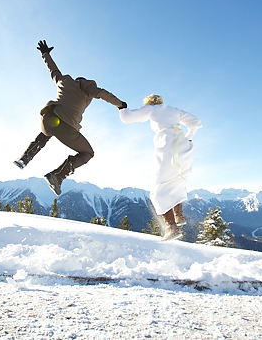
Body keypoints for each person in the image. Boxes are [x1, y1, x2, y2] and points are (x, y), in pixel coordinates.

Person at [14, 40, 127, 195]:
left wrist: (45, 54)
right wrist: (120, 104)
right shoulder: (89, 90)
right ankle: (57, 176)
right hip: (66, 127)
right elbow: (103, 94)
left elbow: (53, 70)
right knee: (88, 153)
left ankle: (25, 157)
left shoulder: (64, 81)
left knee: (46, 133)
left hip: (48, 118)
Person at [119, 94, 201, 241]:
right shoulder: (174, 110)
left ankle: (171, 227)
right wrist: (188, 137)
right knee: (177, 180)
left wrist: (121, 107)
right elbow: (196, 122)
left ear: (149, 103)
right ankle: (179, 215)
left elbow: (127, 117)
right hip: (183, 146)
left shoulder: (152, 109)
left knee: (158, 188)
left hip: (167, 148)